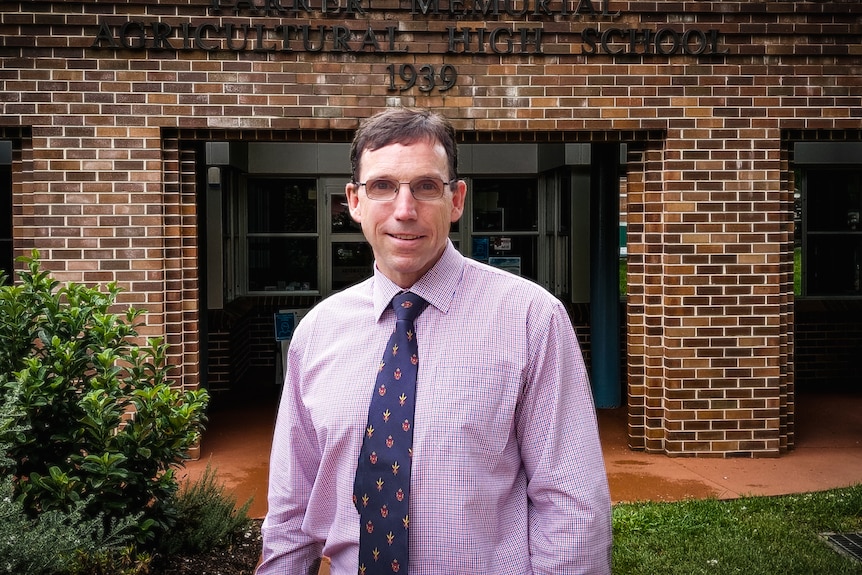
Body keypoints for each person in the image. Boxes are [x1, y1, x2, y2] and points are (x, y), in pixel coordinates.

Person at [256, 107, 612, 575]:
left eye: (426, 187)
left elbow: (571, 503)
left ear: (457, 199)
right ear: (355, 202)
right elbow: (291, 510)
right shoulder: (317, 333)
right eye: (382, 186)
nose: (405, 211)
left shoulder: (531, 318)